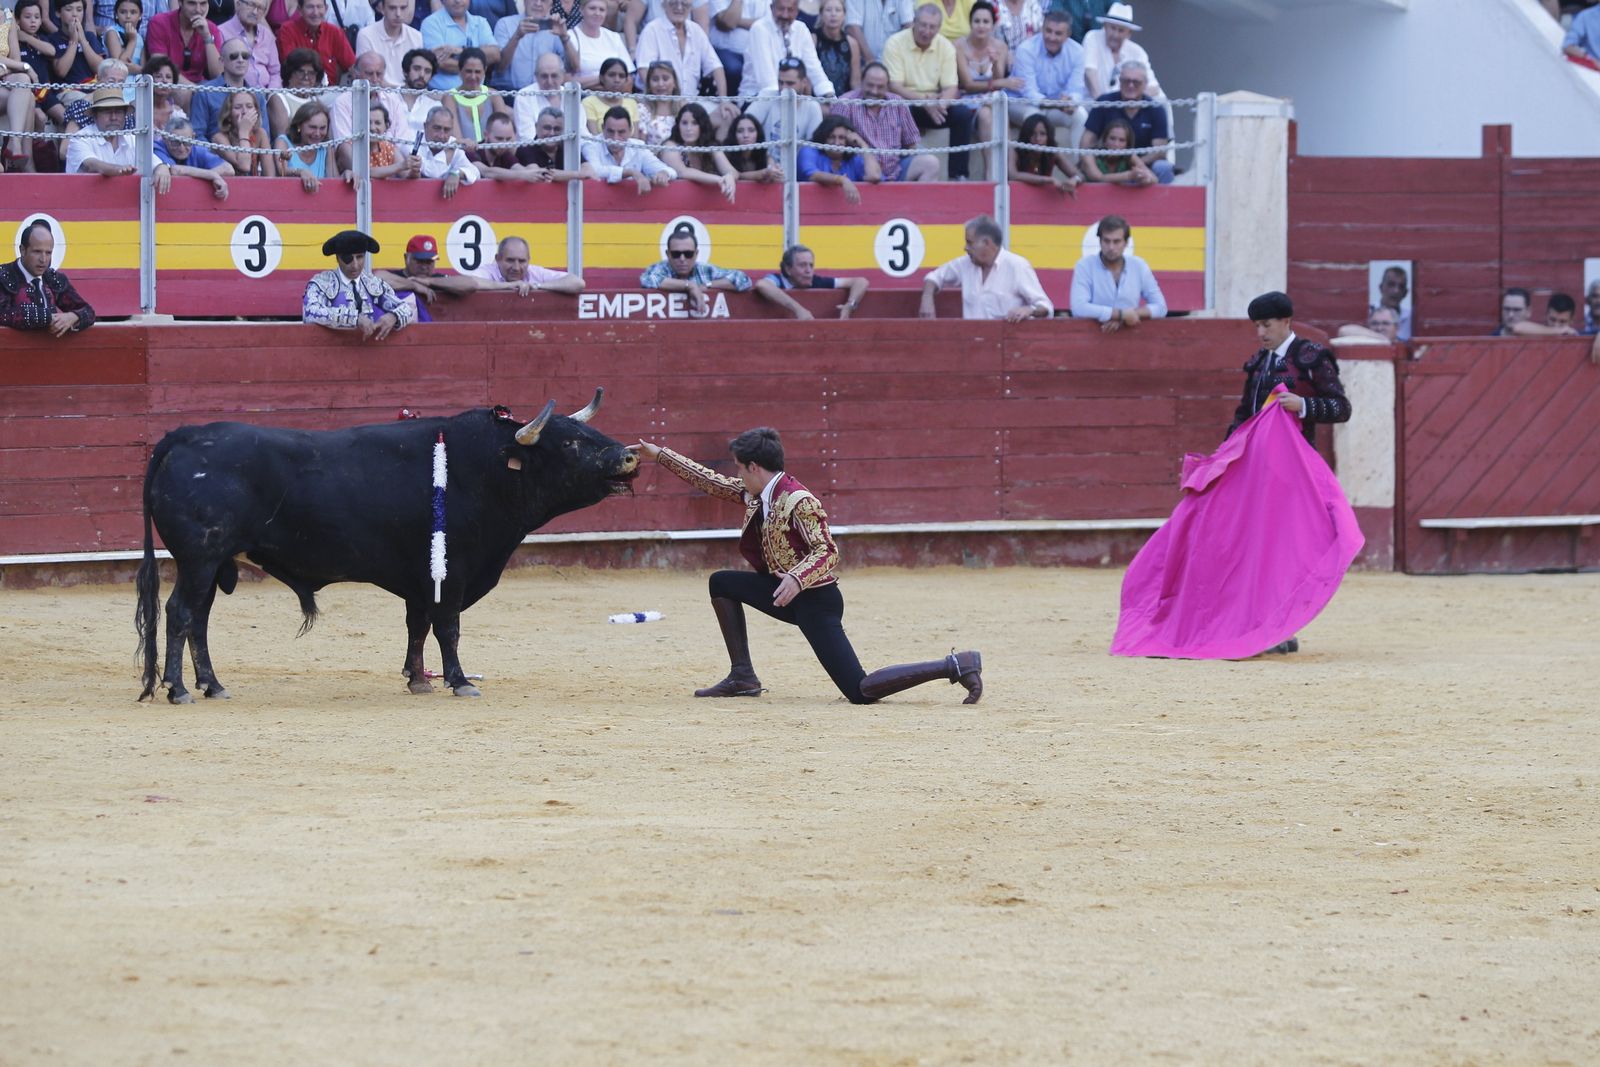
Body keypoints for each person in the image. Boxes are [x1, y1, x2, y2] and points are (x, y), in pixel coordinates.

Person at [631, 427, 984, 704]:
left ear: (754, 467)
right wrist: (659, 455)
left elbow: (828, 551)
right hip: (784, 594)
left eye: (740, 467)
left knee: (859, 691)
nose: (737, 474)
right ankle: (743, 676)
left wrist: (798, 579)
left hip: (816, 601)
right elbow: (712, 482)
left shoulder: (799, 500)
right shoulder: (758, 493)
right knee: (721, 582)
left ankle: (955, 665)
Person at [1228, 290, 1350, 447]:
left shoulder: (1312, 356)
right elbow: (1245, 413)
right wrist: (1227, 449)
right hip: (1258, 455)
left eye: (1266, 325)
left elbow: (1342, 409)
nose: (1260, 333)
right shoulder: (1260, 361)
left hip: (1296, 455)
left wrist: (1303, 405)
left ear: (1285, 321)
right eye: (1257, 326)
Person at [883, 3, 972, 180]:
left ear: (939, 28)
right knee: (899, 109)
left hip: (935, 104)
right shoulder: (895, 43)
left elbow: (951, 87)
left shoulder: (945, 46)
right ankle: (900, 171)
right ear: (914, 22)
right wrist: (925, 101)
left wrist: (940, 104)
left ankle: (958, 176)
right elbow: (894, 86)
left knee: (963, 114)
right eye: (923, 25)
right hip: (906, 103)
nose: (927, 31)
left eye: (932, 27)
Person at [919, 214, 1050, 321]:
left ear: (987, 243)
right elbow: (934, 277)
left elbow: (1045, 306)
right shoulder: (965, 264)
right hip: (971, 344)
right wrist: (927, 300)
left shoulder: (1017, 266)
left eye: (970, 243)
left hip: (1006, 346)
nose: (965, 248)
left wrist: (1029, 310)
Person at [828, 60, 936, 181]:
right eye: (870, 85)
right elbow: (835, 142)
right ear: (861, 83)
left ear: (888, 87)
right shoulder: (845, 103)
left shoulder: (898, 103)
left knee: (930, 163)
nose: (874, 91)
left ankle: (914, 200)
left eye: (880, 87)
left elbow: (911, 144)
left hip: (895, 171)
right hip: (861, 172)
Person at [303, 229, 414, 338]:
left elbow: (406, 308)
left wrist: (393, 316)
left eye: (359, 257)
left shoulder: (371, 283)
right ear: (337, 258)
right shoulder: (322, 283)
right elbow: (311, 312)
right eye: (348, 258)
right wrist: (354, 318)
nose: (355, 265)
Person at [1068, 214, 1165, 329]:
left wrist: (1128, 316)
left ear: (1126, 243)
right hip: (1093, 338)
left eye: (1116, 241)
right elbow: (1079, 308)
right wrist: (1120, 314)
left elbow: (1161, 307)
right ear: (1099, 241)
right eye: (1106, 241)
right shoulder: (1085, 266)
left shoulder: (1139, 266)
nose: (1111, 247)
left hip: (1131, 337)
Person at [1, 219, 96, 335]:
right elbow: (3, 314)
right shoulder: (4, 275)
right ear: (22, 250)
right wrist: (47, 318)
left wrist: (73, 317)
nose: (43, 259)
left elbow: (88, 311)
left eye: (48, 253)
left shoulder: (54, 279)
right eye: (37, 252)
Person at [1079, 59, 1168, 183]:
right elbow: (1085, 144)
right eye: (1126, 81)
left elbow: (1159, 152)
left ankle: (1163, 202)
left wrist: (1133, 165)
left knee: (1164, 167)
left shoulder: (1156, 109)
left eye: (1136, 82)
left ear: (1145, 84)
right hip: (1108, 164)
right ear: (1119, 82)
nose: (1131, 85)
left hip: (1143, 164)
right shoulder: (1104, 102)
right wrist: (1095, 168)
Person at [1010, 9, 1082, 145]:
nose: (1052, 37)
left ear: (1068, 35)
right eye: (1048, 31)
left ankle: (1080, 164)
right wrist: (1058, 103)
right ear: (1042, 29)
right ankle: (1031, 165)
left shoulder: (1077, 52)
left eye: (1058, 33)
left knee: (1080, 115)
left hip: (1056, 106)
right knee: (1035, 118)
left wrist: (1071, 101)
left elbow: (1077, 90)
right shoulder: (1026, 49)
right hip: (1022, 104)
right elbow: (1029, 93)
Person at [640, 225, 751, 315]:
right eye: (676, 254)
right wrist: (690, 286)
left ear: (696, 254)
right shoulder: (662, 268)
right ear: (668, 254)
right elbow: (648, 279)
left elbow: (743, 279)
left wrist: (707, 285)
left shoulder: (705, 270)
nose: (682, 259)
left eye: (688, 254)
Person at [954, 0, 1016, 150]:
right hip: (967, 99)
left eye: (986, 22)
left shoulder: (1000, 46)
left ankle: (1005, 169)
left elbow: (998, 78)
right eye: (977, 21)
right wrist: (1000, 84)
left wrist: (995, 63)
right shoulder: (958, 46)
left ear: (993, 25)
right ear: (970, 23)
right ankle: (994, 171)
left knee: (991, 111)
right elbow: (968, 85)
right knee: (988, 112)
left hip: (992, 99)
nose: (981, 26)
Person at [376, 232, 480, 321]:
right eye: (419, 261)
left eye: (429, 262)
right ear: (406, 258)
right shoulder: (397, 276)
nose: (424, 267)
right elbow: (376, 278)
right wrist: (414, 285)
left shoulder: (437, 279)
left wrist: (430, 282)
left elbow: (471, 284)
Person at [740, 0, 833, 96]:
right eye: (781, 9)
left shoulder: (801, 29)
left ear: (797, 11)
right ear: (771, 8)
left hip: (793, 99)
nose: (785, 15)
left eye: (790, 10)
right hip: (757, 98)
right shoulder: (759, 28)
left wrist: (829, 95)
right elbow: (767, 82)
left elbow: (815, 70)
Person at [637, 0, 726, 100]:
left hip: (691, 103)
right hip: (660, 102)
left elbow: (716, 66)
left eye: (684, 4)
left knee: (725, 114)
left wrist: (723, 100)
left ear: (691, 6)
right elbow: (644, 69)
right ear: (663, 5)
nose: (679, 8)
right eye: (674, 3)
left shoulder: (696, 30)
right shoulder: (651, 30)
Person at [755, 243, 868, 318]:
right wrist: (798, 309)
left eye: (811, 265)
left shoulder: (815, 281)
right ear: (788, 269)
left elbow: (860, 281)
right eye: (802, 265)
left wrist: (850, 305)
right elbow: (762, 285)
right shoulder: (777, 280)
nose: (808, 270)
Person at [187, 34, 267, 138]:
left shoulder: (257, 95)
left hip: (250, 151)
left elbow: (265, 135)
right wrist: (216, 154)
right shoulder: (205, 92)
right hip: (215, 151)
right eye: (234, 56)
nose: (240, 60)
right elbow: (197, 135)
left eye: (245, 56)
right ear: (222, 61)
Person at [581, 105, 676, 192]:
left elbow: (670, 171)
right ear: (603, 128)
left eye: (621, 132)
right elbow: (595, 171)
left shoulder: (638, 147)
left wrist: (663, 173)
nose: (615, 138)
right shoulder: (591, 144)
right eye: (610, 131)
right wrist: (631, 173)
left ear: (630, 131)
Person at [1080, 1, 1159, 99]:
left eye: (1121, 30)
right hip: (1092, 103)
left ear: (1129, 33)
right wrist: (1100, 102)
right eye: (1112, 28)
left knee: (1161, 99)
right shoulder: (1093, 38)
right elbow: (1089, 72)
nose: (1115, 35)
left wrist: (1132, 100)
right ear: (1105, 26)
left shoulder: (1137, 51)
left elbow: (1154, 87)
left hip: (1126, 106)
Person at [661, 100, 738, 200]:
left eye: (694, 123)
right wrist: (719, 179)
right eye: (684, 123)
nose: (689, 128)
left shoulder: (710, 145)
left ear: (702, 126)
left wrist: (729, 177)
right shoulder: (670, 145)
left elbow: (733, 171)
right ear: (678, 125)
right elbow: (682, 172)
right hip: (673, 200)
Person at [796, 113, 880, 203]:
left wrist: (863, 145)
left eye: (841, 138)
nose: (836, 142)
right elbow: (812, 175)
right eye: (832, 137)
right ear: (824, 138)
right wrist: (841, 180)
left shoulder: (853, 158)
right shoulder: (810, 150)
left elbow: (873, 176)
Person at [400, 105, 482, 196]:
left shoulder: (452, 142)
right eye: (437, 128)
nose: (441, 135)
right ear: (425, 126)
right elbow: (433, 173)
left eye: (446, 130)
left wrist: (456, 173)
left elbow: (475, 172)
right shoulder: (410, 142)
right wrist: (450, 149)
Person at [468, 234, 585, 295]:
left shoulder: (534, 272)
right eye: (510, 260)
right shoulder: (489, 271)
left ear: (528, 260)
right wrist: (510, 286)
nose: (516, 267)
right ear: (497, 259)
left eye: (522, 261)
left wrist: (536, 286)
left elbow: (577, 283)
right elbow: (469, 282)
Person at [421, 0, 499, 91]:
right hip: (441, 94)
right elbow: (442, 63)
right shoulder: (431, 23)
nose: (457, 1)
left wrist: (461, 51)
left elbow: (495, 55)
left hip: (477, 94)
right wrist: (477, 65)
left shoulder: (480, 22)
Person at [491, 0, 567, 91]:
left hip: (543, 93)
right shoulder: (504, 24)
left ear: (551, 6)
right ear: (525, 1)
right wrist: (517, 36)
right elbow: (499, 67)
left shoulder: (555, 27)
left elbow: (572, 69)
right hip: (508, 93)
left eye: (544, 1)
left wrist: (564, 37)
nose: (538, 4)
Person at [152, 114, 234, 197]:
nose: (182, 148)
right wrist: (212, 175)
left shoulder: (196, 149)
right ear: (165, 139)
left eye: (186, 141)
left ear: (193, 137)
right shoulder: (157, 148)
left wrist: (210, 175)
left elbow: (228, 169)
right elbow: (174, 170)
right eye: (175, 142)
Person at [445, 46, 509, 149]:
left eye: (477, 72)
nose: (473, 77)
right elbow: (456, 139)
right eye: (468, 71)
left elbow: (505, 133)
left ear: (485, 71)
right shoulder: (450, 97)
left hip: (493, 154)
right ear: (460, 71)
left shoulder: (494, 96)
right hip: (463, 156)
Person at [65, 83, 137, 174]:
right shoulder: (80, 138)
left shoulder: (132, 139)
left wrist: (160, 168)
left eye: (118, 112)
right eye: (107, 112)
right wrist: (119, 169)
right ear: (95, 115)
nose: (113, 117)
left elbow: (154, 162)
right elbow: (91, 165)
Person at [144, 0, 220, 85]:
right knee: (184, 94)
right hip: (168, 83)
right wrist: (194, 89)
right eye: (192, 3)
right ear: (180, 2)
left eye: (203, 4)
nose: (198, 10)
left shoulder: (211, 29)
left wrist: (207, 37)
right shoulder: (159, 22)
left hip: (200, 86)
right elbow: (160, 67)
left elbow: (217, 75)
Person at [1, 3, 38, 170]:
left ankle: (15, 144)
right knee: (27, 96)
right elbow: (21, 64)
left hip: (4, 79)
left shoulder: (7, 15)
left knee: (23, 81)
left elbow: (16, 60)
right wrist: (27, 66)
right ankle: (27, 165)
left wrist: (6, 67)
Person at [275, 0, 352, 82]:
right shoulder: (287, 31)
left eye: (319, 7)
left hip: (331, 92)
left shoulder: (335, 32)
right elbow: (289, 68)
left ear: (326, 9)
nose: (315, 12)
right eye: (310, 7)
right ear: (300, 10)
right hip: (297, 91)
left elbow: (351, 66)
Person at [564, 0, 631, 87]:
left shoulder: (614, 37)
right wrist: (607, 80)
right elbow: (566, 80)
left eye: (602, 10)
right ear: (581, 10)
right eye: (592, 8)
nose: (597, 13)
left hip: (615, 96)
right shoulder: (569, 36)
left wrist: (603, 81)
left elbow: (628, 77)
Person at [1010, 110, 1080, 192]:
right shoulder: (1015, 150)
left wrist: (1074, 180)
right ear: (1026, 135)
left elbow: (1079, 175)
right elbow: (1013, 175)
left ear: (1048, 136)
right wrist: (1049, 180)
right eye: (1032, 134)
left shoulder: (1052, 152)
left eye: (1042, 134)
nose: (1037, 139)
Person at [355, 0, 421, 87]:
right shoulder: (365, 35)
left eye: (403, 8)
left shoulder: (416, 36)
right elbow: (365, 78)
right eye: (392, 8)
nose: (398, 14)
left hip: (408, 96)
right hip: (377, 95)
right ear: (382, 8)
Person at [216, 85, 277, 173]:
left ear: (256, 112)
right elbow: (244, 166)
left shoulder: (260, 134)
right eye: (238, 107)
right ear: (228, 115)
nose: (244, 111)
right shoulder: (219, 138)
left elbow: (270, 175)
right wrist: (243, 131)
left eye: (249, 106)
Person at [218, 0, 278, 87]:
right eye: (251, 5)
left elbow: (275, 72)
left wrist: (272, 94)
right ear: (238, 4)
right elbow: (219, 71)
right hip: (235, 94)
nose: (255, 12)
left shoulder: (267, 35)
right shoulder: (221, 32)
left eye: (260, 8)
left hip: (267, 94)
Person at [708, 0, 768, 88]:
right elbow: (727, 23)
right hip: (726, 51)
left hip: (757, 52)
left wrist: (735, 20)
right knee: (734, 69)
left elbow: (770, 23)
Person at [276, 98, 332, 190]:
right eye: (312, 127)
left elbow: (333, 179)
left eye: (322, 128)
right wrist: (301, 172)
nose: (318, 134)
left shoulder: (326, 148)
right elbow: (281, 170)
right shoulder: (283, 142)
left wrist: (346, 174)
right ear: (299, 126)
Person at [269, 45, 321, 136]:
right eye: (301, 72)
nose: (306, 77)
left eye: (311, 73)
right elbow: (282, 138)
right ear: (289, 73)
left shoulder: (315, 101)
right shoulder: (278, 98)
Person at [511, 50, 565, 135]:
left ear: (562, 76)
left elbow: (583, 135)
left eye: (554, 76)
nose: (549, 82)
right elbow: (527, 138)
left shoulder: (572, 95)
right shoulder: (524, 96)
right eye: (544, 76)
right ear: (536, 76)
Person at [582, 57, 639, 132]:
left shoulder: (632, 103)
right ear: (601, 78)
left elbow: (635, 139)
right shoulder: (588, 103)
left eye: (621, 76)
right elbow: (593, 138)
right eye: (611, 75)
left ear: (626, 80)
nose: (617, 80)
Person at [723, 112, 784, 181]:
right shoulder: (725, 155)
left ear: (758, 134)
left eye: (751, 130)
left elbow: (773, 173)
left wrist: (775, 173)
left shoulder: (766, 157)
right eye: (740, 131)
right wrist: (763, 173)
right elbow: (736, 175)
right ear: (733, 135)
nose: (746, 135)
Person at [843, 0, 908, 64]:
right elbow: (852, 28)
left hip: (896, 62)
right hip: (863, 63)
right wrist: (871, 62)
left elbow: (909, 26)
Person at [813, 0, 858, 92]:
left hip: (844, 101)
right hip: (818, 99)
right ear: (821, 14)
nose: (833, 14)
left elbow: (856, 82)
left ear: (844, 15)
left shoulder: (852, 43)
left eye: (838, 10)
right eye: (828, 10)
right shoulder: (813, 39)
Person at [636, 59, 683, 144]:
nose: (660, 84)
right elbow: (640, 147)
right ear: (649, 84)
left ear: (674, 82)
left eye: (665, 79)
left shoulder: (683, 107)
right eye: (655, 79)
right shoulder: (642, 110)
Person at [1371, 265, 1412, 341]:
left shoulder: (1411, 318)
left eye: (1401, 286)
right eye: (1391, 285)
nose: (1396, 290)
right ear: (1381, 287)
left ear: (1405, 293)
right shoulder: (1369, 311)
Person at [101, 0, 147, 68]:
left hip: (138, 78)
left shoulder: (139, 37)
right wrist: (132, 41)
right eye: (123, 12)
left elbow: (144, 68)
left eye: (133, 12)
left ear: (140, 15)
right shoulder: (112, 33)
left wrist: (140, 70)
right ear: (116, 14)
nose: (128, 16)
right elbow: (119, 66)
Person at [1335, 304, 1400, 344]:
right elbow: (1343, 331)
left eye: (1385, 323)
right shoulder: (1365, 340)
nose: (1379, 328)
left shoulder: (1404, 346)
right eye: (1374, 323)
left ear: (1396, 327)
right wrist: (1381, 338)